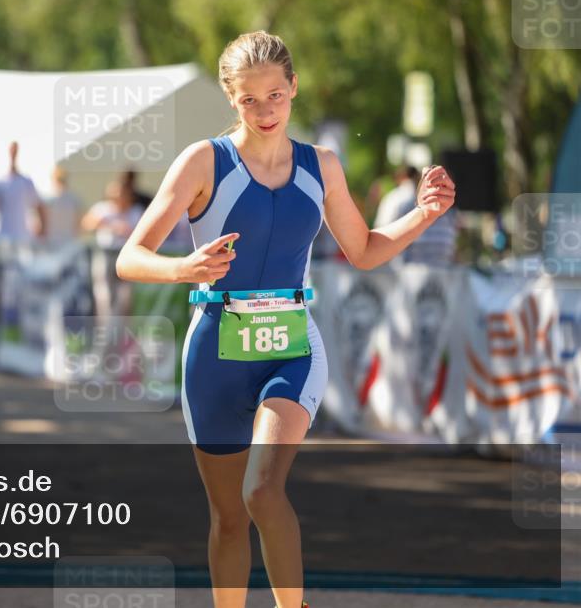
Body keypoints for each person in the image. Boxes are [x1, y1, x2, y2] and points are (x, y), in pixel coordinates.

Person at [115, 30, 455, 608]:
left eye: (275, 94)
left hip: (291, 346)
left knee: (263, 491)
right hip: (215, 352)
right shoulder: (203, 161)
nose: (265, 110)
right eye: (249, 99)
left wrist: (423, 215)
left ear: (293, 88)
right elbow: (130, 258)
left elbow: (365, 249)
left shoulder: (320, 166)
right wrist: (184, 269)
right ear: (231, 99)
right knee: (227, 519)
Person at [0, 141, 46, 241]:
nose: (13, 154)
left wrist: (42, 231)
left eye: (15, 150)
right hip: (1, 239)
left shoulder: (27, 182)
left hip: (22, 239)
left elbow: (39, 206)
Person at [43, 164, 83, 243]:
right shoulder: (75, 199)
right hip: (68, 240)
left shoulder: (48, 199)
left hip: (52, 241)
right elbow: (79, 223)